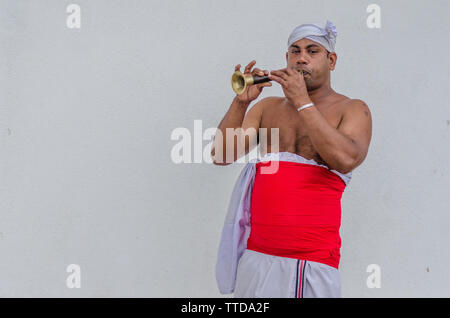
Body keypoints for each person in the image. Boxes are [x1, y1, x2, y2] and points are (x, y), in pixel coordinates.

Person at [212, 20, 372, 298]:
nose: (302, 59)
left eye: (313, 51)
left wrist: (302, 102)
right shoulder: (267, 108)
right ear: (286, 58)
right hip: (257, 259)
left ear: (331, 60)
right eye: (295, 51)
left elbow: (346, 159)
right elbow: (223, 155)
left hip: (311, 262)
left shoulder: (353, 108)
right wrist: (241, 102)